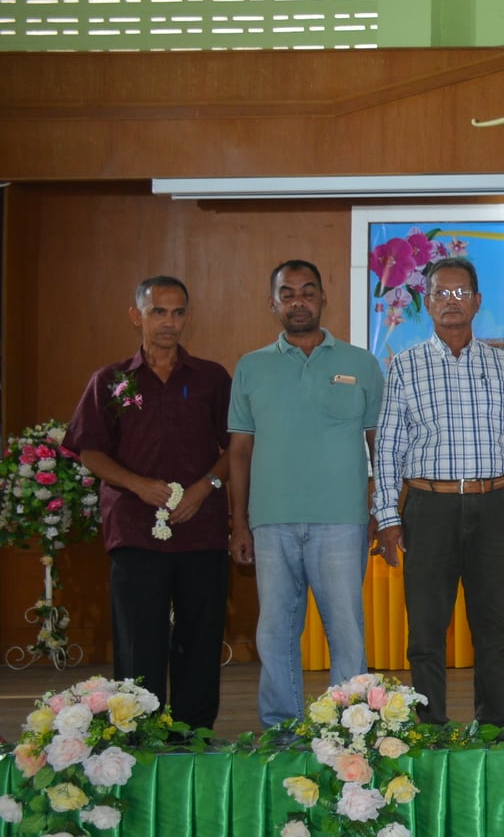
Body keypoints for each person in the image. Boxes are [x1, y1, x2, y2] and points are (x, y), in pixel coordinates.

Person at [372, 257, 504, 725]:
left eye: (460, 292)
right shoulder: (406, 367)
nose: (451, 302)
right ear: (426, 302)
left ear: (477, 301)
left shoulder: (502, 365)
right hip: (429, 508)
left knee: (495, 627)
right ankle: (431, 728)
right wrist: (387, 516)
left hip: (492, 506)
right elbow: (388, 447)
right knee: (426, 627)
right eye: (441, 293)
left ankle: (491, 728)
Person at [226, 260, 385, 728]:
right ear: (272, 302)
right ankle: (282, 728)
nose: (298, 301)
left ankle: (348, 728)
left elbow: (381, 446)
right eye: (287, 293)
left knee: (346, 631)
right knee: (275, 631)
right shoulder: (251, 367)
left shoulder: (361, 363)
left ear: (322, 299)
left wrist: (383, 509)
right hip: (270, 520)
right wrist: (238, 521)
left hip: (342, 518)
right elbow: (239, 449)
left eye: (308, 291)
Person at [68, 276, 232, 729]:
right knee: (139, 639)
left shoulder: (211, 378)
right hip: (136, 529)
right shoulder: (110, 380)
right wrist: (137, 484)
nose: (169, 322)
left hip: (200, 529)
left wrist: (204, 489)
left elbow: (235, 448)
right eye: (159, 311)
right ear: (136, 315)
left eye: (179, 312)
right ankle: (138, 732)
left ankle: (194, 734)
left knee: (200, 637)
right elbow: (89, 449)